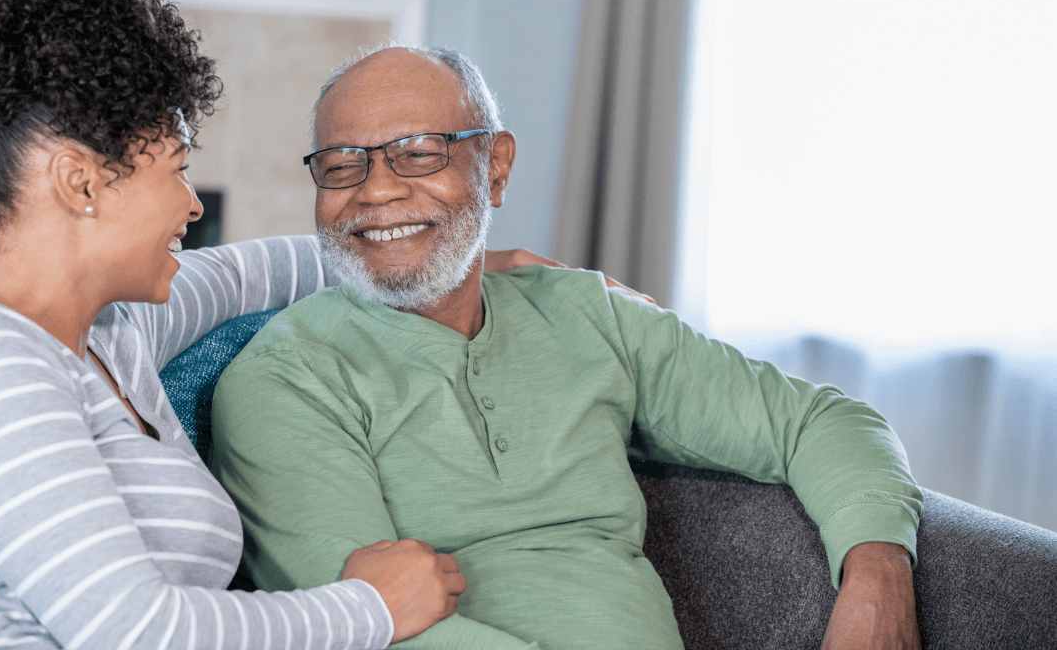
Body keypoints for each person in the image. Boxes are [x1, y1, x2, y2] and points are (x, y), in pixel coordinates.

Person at [210, 45, 926, 650]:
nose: (376, 191)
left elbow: (819, 421)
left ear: (494, 167)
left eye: (418, 155)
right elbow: (367, 628)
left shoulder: (590, 316)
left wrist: (879, 571)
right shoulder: (283, 380)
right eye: (342, 165)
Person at [0, 0, 477, 649]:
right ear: (80, 182)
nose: (191, 206)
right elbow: (137, 630)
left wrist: (442, 257)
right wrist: (371, 608)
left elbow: (257, 273)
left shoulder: (116, 337)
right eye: (176, 169)